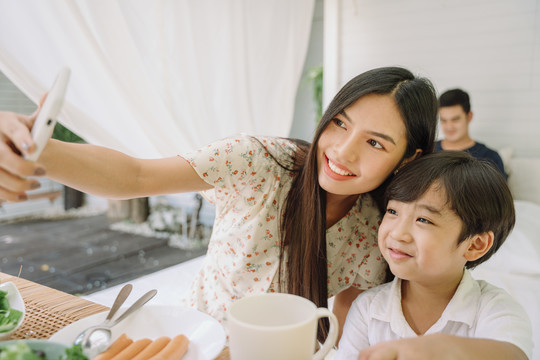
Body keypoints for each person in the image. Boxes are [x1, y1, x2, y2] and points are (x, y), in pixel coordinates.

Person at [0, 67, 527, 357]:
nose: (342, 152)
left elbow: (344, 318)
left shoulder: (382, 228)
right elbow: (137, 175)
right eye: (339, 124)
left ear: (408, 157)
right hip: (190, 340)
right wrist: (38, 147)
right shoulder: (260, 161)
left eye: (374, 142)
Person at [335, 151, 532, 360]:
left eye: (423, 220)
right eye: (393, 211)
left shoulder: (495, 308)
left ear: (475, 245)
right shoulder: (368, 308)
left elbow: (513, 354)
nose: (397, 233)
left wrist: (442, 348)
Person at [436, 88, 507, 179]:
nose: (449, 127)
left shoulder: (490, 157)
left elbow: (500, 193)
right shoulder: (428, 151)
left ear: (469, 116)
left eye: (455, 119)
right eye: (444, 120)